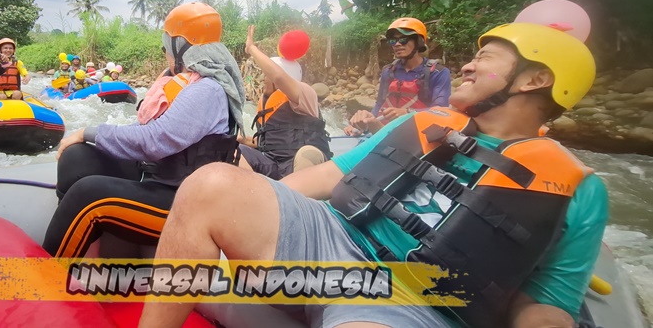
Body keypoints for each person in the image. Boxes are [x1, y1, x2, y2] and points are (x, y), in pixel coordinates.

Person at [139, 22, 607, 328]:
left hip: (412, 298)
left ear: (534, 80)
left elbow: (547, 303)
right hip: (333, 237)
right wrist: (244, 214)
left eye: (486, 58)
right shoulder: (423, 123)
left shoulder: (580, 190)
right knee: (212, 183)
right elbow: (325, 176)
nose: (468, 64)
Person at [41, 2, 245, 259]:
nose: (165, 54)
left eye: (166, 46)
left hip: (185, 199)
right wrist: (91, 136)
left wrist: (89, 132)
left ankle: (46, 272)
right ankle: (77, 248)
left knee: (87, 194)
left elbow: (154, 140)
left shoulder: (207, 90)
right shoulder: (189, 83)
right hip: (161, 177)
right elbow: (144, 130)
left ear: (180, 47)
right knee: (77, 158)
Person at [237, 25, 332, 180]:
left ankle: (300, 194)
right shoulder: (265, 102)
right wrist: (244, 140)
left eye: (266, 75)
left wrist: (251, 48)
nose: (263, 79)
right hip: (274, 163)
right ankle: (255, 191)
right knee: (234, 151)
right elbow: (268, 141)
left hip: (302, 164)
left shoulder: (305, 94)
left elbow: (278, 76)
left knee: (307, 153)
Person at [346, 17, 451, 137]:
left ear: (419, 42)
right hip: (384, 132)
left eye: (403, 40)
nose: (397, 44)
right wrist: (363, 125)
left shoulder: (437, 73)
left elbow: (441, 111)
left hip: (417, 134)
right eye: (393, 41)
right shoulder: (388, 71)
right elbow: (379, 104)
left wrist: (408, 112)